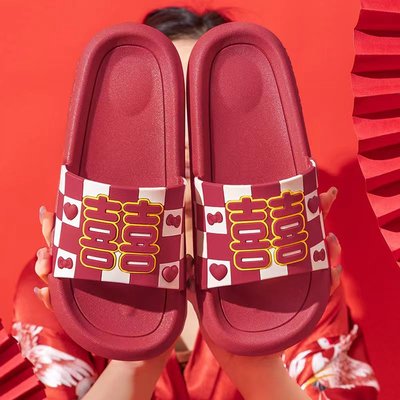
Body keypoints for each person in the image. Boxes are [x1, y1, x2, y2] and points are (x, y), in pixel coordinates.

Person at [12, 7, 379, 400]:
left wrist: (254, 365)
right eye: (167, 105)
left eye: (207, 108)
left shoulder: (293, 279)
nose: (186, 132)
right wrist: (137, 357)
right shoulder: (65, 281)